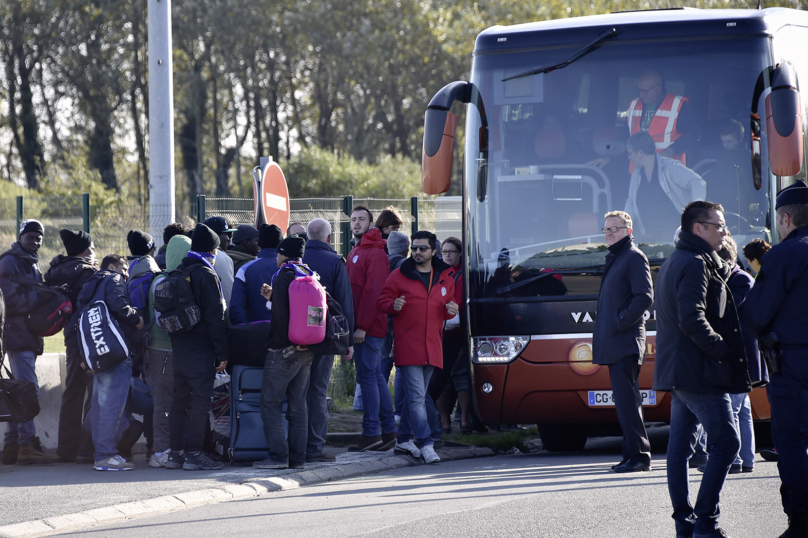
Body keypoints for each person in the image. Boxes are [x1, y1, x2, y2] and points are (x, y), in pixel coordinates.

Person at [654, 200, 750, 538]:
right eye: (718, 225)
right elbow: (691, 318)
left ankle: (685, 524)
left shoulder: (677, 259)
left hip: (683, 371)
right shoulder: (694, 263)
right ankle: (705, 522)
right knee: (727, 443)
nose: (725, 231)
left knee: (679, 450)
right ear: (699, 228)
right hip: (698, 371)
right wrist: (722, 351)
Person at [743, 180, 808, 537]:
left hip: (794, 364)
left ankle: (800, 519)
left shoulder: (784, 255)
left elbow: (755, 314)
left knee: (793, 440)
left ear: (784, 219)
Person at [378, 231, 458, 464]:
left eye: (422, 248)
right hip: (408, 345)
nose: (417, 252)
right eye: (414, 248)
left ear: (434, 251)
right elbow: (382, 302)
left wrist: (449, 311)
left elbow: (444, 309)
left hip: (432, 345)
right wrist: (393, 304)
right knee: (415, 398)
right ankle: (426, 442)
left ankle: (403, 440)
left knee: (419, 396)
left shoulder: (446, 278)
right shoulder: (398, 275)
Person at [592, 211, 654, 473]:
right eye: (606, 230)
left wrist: (619, 322)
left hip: (625, 341)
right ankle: (631, 453)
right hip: (616, 341)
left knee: (627, 401)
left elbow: (644, 297)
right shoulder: (618, 257)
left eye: (614, 229)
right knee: (625, 401)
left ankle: (639, 456)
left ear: (628, 231)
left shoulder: (633, 256)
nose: (609, 234)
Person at [165, 223, 228, 471]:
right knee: (201, 401)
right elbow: (216, 318)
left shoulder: (180, 270)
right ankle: (195, 454)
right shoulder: (206, 274)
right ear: (212, 250)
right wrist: (222, 352)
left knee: (179, 401)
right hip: (201, 349)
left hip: (179, 347)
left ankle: (175, 455)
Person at [74, 254, 144, 471]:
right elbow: (119, 306)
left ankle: (98, 453)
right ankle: (105, 456)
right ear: (112, 266)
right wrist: (137, 319)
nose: (126, 273)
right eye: (123, 268)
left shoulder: (90, 285)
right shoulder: (113, 279)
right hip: (116, 353)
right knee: (112, 408)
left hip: (98, 354)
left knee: (99, 407)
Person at [0, 219, 58, 465]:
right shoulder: (10, 261)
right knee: (27, 390)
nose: (34, 242)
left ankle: (12, 445)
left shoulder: (29, 263)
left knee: (16, 392)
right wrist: (41, 294)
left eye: (38, 238)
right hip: (16, 336)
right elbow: (10, 302)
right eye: (30, 237)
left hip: (25, 335)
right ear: (20, 237)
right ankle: (27, 444)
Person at [253, 235, 314, 470]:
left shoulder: (284, 276)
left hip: (282, 350)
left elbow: (281, 316)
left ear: (282, 254)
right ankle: (297, 459)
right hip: (306, 349)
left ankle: (278, 457)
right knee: (299, 407)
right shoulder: (306, 273)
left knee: (270, 403)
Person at [302, 218, 355, 463]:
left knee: (297, 391)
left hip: (293, 337)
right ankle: (315, 447)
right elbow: (345, 304)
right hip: (324, 337)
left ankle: (296, 444)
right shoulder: (335, 262)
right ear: (329, 239)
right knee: (317, 391)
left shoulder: (295, 260)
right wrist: (348, 341)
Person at [45, 229, 98, 463]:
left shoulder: (55, 270)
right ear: (85, 250)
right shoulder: (88, 272)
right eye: (92, 247)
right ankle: (86, 449)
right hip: (89, 335)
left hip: (70, 335)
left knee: (73, 391)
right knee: (94, 393)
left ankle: (66, 450)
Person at [346, 206, 396, 452]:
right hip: (361, 325)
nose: (356, 223)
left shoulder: (375, 253)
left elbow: (373, 292)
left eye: (361, 219)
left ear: (370, 223)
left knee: (368, 377)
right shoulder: (357, 249)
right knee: (374, 376)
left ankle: (371, 433)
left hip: (368, 327)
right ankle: (387, 432)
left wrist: (362, 326)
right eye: (353, 219)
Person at [716, 236, 764, 475]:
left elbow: (726, 308)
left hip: (741, 355)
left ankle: (734, 459)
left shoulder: (740, 279)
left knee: (732, 408)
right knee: (742, 409)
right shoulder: (737, 277)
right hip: (741, 354)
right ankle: (746, 459)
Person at [144, 234, 192, 468]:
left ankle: (169, 449)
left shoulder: (161, 280)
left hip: (161, 349)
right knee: (165, 404)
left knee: (171, 404)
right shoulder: (169, 281)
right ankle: (161, 451)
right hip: (164, 352)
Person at [624, 131, 706, 236]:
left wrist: (695, 208)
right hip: (648, 235)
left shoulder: (670, 167)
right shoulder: (636, 174)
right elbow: (630, 202)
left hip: (676, 235)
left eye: (630, 153)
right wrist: (623, 226)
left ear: (640, 152)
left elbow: (698, 182)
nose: (628, 157)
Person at [381, 230, 410, 422]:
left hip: (382, 318)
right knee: (400, 366)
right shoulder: (404, 265)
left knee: (382, 364)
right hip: (400, 320)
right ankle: (399, 411)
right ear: (406, 249)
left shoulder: (380, 262)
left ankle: (380, 409)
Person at [230, 224, 283, 324]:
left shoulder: (245, 269)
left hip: (255, 331)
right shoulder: (292, 268)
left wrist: (244, 329)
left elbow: (236, 306)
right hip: (285, 331)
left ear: (259, 244)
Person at [202, 216, 237, 307]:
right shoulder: (222, 258)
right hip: (217, 316)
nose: (229, 239)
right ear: (215, 236)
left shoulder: (192, 253)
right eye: (226, 234)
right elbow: (227, 293)